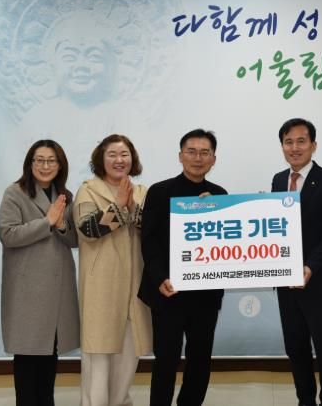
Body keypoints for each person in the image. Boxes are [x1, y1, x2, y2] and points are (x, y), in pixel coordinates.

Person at [139, 129, 227, 406]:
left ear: (213, 159)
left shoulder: (220, 194)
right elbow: (149, 241)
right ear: (180, 156)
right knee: (166, 359)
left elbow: (226, 243)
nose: (197, 158)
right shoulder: (159, 191)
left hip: (205, 294)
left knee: (200, 359)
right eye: (191, 151)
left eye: (204, 153)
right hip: (169, 291)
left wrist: (212, 211)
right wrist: (160, 278)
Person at [0, 139, 80, 406]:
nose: (45, 166)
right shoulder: (15, 193)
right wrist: (47, 221)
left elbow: (74, 240)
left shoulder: (65, 195)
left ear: (60, 165)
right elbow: (8, 235)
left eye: (51, 161)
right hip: (28, 291)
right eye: (40, 160)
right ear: (30, 164)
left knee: (49, 360)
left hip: (57, 290)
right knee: (27, 360)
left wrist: (61, 225)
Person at [271, 118, 322, 406]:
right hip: (285, 280)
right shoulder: (279, 180)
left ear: (313, 145)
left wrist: (310, 266)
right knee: (295, 346)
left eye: (301, 141)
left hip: (317, 280)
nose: (295, 148)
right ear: (282, 146)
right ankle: (305, 400)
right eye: (288, 142)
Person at [73, 134, 152, 406]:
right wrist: (119, 206)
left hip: (135, 285)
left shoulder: (142, 192)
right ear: (101, 159)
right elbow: (88, 229)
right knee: (98, 355)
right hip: (101, 286)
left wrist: (132, 207)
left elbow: (154, 229)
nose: (119, 160)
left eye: (124, 154)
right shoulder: (88, 190)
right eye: (113, 155)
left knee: (128, 356)